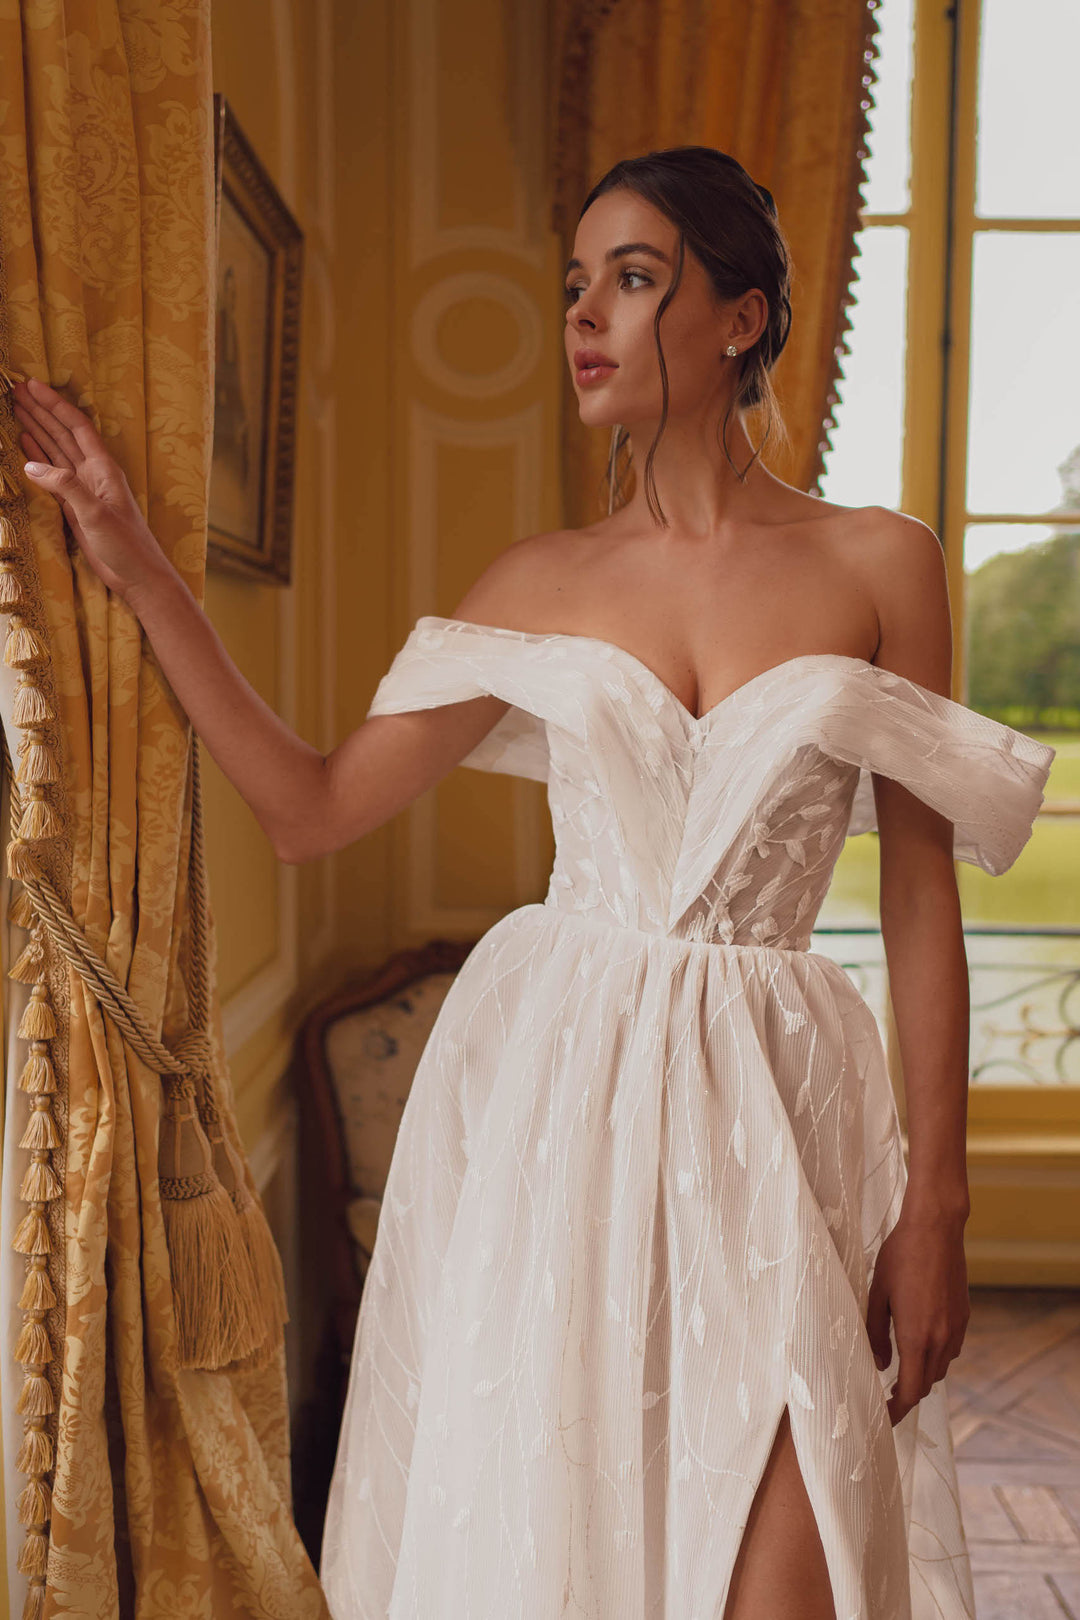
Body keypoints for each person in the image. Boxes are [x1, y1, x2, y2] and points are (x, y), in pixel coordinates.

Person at [11, 145, 1053, 1620]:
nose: (586, 317)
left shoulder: (882, 563)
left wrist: (936, 1203)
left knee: (793, 1543)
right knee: (552, 1548)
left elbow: (920, 900)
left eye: (635, 280)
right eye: (577, 286)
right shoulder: (538, 580)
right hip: (561, 1103)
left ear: (740, 319)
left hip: (777, 1110)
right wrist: (132, 560)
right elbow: (309, 808)